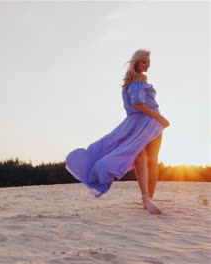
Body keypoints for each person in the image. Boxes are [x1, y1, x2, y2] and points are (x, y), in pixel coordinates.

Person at [65, 49, 169, 214]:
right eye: (144, 61)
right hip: (149, 121)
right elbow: (138, 104)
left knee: (142, 158)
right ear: (136, 62)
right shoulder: (141, 79)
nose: (147, 65)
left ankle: (146, 198)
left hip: (135, 122)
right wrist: (160, 118)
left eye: (149, 62)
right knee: (149, 160)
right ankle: (147, 198)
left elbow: (133, 106)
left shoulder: (127, 82)